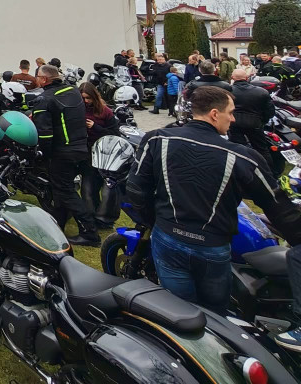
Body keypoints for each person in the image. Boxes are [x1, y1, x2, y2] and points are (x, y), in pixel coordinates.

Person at [127, 85, 301, 314]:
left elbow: (137, 188)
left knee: (179, 309)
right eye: (230, 112)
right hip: (210, 246)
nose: (233, 118)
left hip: (169, 236)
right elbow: (276, 204)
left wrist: (156, 221)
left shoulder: (157, 139)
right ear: (214, 114)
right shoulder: (242, 155)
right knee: (215, 314)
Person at [31, 64, 99, 246]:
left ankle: (89, 232)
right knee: (61, 189)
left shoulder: (43, 99)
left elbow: (44, 134)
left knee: (66, 191)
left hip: (62, 153)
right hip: (81, 148)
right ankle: (57, 222)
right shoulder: (73, 91)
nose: (36, 79)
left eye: (37, 76)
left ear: (44, 79)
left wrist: (41, 154)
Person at [79, 82, 120, 227]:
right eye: (83, 98)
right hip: (85, 153)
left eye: (88, 98)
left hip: (102, 154)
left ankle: (104, 219)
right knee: (88, 187)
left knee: (105, 188)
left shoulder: (105, 111)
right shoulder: (78, 109)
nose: (86, 101)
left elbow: (115, 134)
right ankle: (90, 217)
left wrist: (95, 127)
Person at [229, 68, 276, 158]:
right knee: (261, 149)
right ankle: (267, 170)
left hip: (234, 123)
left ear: (232, 77)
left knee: (238, 149)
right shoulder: (261, 91)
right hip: (254, 123)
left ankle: (243, 169)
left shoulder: (227, 92)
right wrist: (261, 121)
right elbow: (270, 111)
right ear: (247, 78)